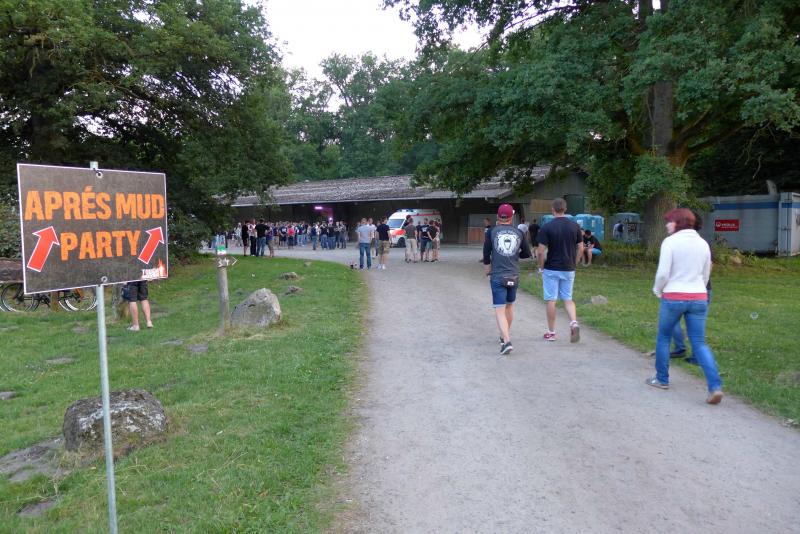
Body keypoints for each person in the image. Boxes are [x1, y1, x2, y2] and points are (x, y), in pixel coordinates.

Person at [649, 209, 723, 404]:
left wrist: (658, 289)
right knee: (699, 343)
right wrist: (697, 289)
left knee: (664, 337)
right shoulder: (703, 243)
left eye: (669, 221)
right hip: (699, 296)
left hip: (674, 296)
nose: (667, 225)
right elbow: (705, 274)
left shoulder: (670, 242)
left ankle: (661, 379)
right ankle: (715, 386)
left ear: (678, 222)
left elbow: (663, 273)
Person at [484, 204, 531, 355]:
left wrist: (487, 267)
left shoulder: (491, 232)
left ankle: (507, 341)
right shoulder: (519, 232)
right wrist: (515, 254)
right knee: (509, 306)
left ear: (498, 217)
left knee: (500, 309)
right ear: (511, 217)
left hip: (498, 275)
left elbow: (486, 252)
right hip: (513, 275)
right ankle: (504, 336)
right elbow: (527, 253)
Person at [536, 198, 583, 343]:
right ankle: (573, 322)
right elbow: (581, 248)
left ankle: (551, 333)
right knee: (568, 299)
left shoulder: (547, 227)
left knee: (551, 300)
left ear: (552, 209)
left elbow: (540, 251)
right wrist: (574, 262)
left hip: (552, 268)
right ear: (565, 209)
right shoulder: (575, 226)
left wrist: (541, 267)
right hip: (569, 268)